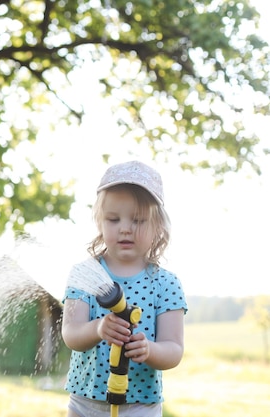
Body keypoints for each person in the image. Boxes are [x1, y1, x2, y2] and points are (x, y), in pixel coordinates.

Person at [61, 160, 187, 417]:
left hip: (140, 405)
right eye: (113, 219)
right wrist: (98, 328)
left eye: (138, 220)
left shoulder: (166, 283)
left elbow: (173, 349)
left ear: (158, 227)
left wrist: (149, 350)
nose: (125, 228)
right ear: (100, 222)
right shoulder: (86, 274)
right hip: (85, 403)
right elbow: (71, 335)